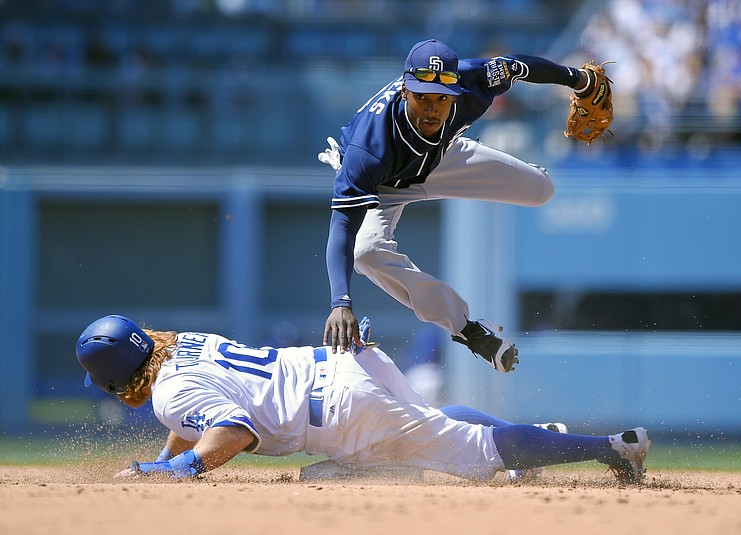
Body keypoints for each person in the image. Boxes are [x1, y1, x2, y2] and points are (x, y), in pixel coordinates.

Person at [76, 314, 651, 483]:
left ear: (114, 381)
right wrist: (168, 454)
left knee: (475, 453)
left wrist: (179, 468)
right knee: (426, 428)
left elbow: (232, 431)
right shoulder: (181, 346)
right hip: (348, 359)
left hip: (346, 414)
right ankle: (542, 441)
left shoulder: (168, 393)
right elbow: (198, 413)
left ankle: (611, 448)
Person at [319, 39, 604, 372]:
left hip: (440, 157)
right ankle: (467, 329)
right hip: (385, 182)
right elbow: (342, 224)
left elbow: (519, 64)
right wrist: (341, 302)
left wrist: (578, 80)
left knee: (541, 190)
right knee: (365, 254)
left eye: (442, 98)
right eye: (422, 96)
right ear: (404, 91)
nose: (432, 108)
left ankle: (507, 164)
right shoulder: (368, 149)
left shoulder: (473, 79)